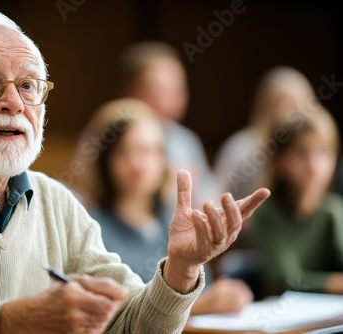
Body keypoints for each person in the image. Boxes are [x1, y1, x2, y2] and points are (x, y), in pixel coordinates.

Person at [0, 11, 269, 334]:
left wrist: (181, 268)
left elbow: (132, 325)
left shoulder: (56, 202)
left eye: (28, 86)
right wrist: (12, 321)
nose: (13, 102)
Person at [81, 98, 253, 315]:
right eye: (123, 151)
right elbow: (118, 315)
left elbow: (205, 285)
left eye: (148, 151)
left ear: (163, 159)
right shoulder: (92, 229)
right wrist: (200, 306)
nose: (137, 163)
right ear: (105, 161)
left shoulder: (175, 219)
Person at [251, 107, 343, 296]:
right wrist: (333, 283)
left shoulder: (333, 210)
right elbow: (284, 280)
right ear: (279, 160)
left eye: (323, 152)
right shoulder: (267, 214)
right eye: (302, 153)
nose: (314, 165)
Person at [117, 41, 219, 208]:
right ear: (128, 93)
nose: (172, 100)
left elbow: (209, 198)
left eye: (178, 89)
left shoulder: (186, 141)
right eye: (160, 91)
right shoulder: (106, 134)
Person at [214, 66, 317, 200]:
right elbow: (217, 193)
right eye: (288, 104)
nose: (297, 113)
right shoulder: (241, 147)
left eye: (303, 104)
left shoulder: (309, 154)